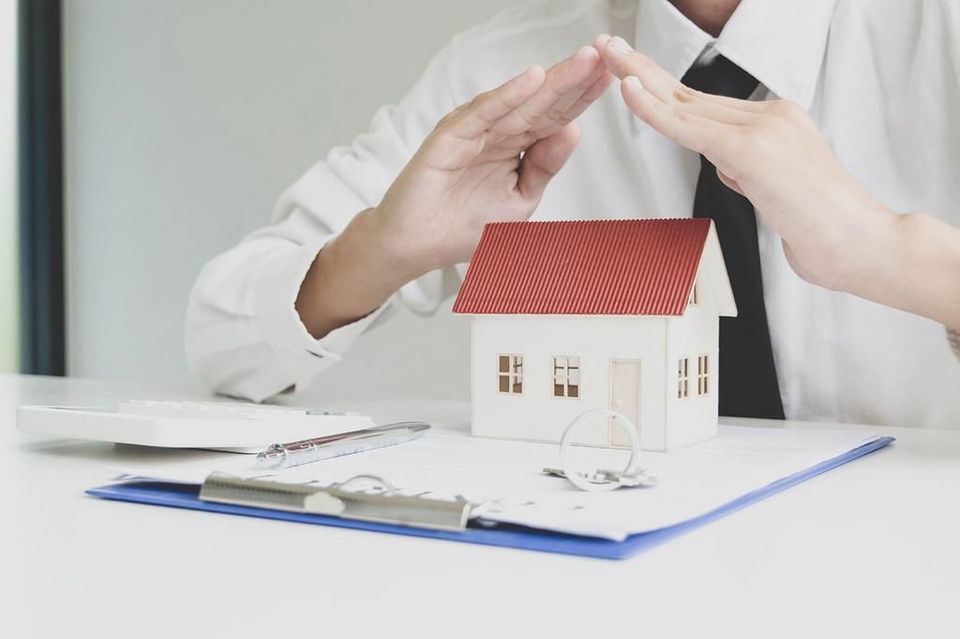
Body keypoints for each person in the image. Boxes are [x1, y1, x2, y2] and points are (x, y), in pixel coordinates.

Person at [185, 0, 960, 429]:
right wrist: (383, 249)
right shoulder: (504, 69)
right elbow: (223, 340)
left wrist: (882, 250)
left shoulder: (939, 35)